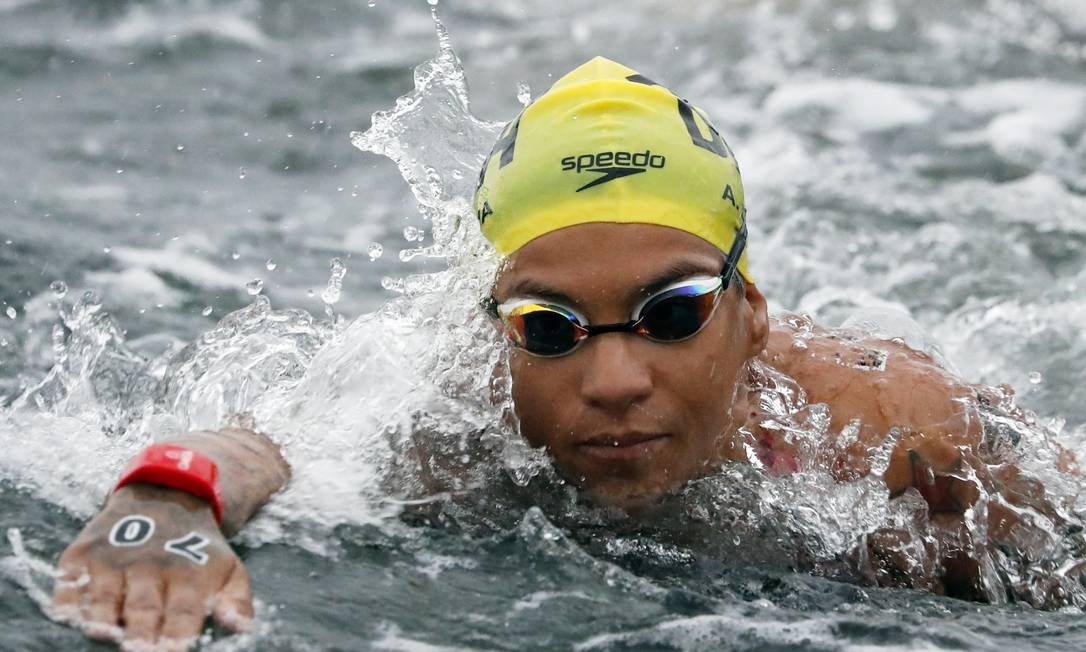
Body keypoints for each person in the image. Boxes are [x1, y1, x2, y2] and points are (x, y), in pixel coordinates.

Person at [50, 57, 1081, 649]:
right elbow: (257, 442)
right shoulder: (455, 413)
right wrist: (168, 498)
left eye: (673, 312)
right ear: (495, 330)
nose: (617, 379)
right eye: (549, 327)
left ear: (751, 312)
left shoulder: (891, 429)